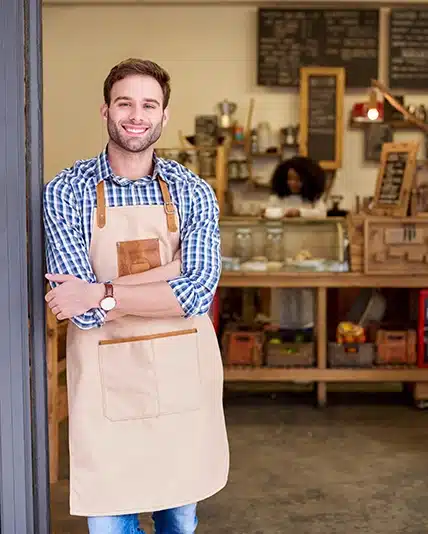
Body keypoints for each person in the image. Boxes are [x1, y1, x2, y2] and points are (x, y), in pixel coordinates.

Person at [43, 58, 229, 534]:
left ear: (165, 116)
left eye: (149, 104)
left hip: (181, 380)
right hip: (108, 384)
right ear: (105, 110)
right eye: (125, 103)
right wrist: (170, 272)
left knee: (179, 521)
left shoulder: (193, 191)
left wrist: (102, 292)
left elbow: (197, 294)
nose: (136, 114)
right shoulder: (66, 191)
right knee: (110, 520)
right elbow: (76, 313)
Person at [264, 156, 327, 329]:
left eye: (298, 179)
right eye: (290, 178)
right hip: (281, 251)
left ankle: (306, 330)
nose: (293, 183)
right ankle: (281, 329)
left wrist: (298, 213)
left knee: (305, 294)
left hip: (307, 254)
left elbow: (322, 214)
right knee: (281, 293)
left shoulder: (314, 200)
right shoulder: (277, 198)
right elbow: (270, 211)